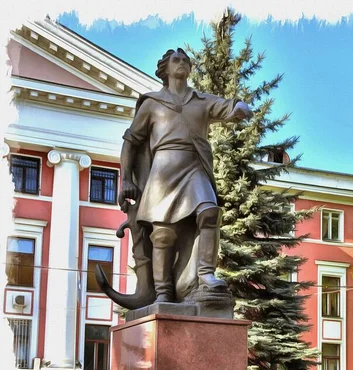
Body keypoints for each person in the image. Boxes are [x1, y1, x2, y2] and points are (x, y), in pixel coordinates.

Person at [97, 48, 251, 308]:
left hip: (194, 166)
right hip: (162, 172)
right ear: (165, 69)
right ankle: (163, 293)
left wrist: (240, 108)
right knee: (163, 235)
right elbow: (130, 142)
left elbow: (231, 105)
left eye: (185, 61)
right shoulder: (152, 103)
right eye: (176, 60)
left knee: (209, 212)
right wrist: (126, 180)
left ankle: (205, 275)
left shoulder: (201, 100)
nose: (182, 64)